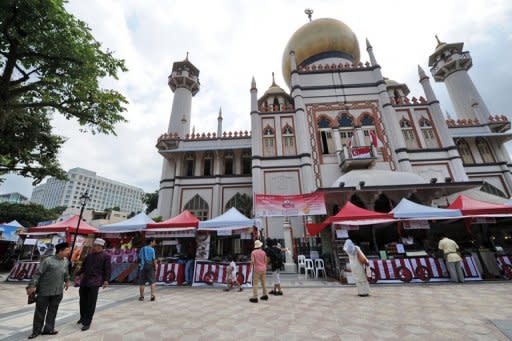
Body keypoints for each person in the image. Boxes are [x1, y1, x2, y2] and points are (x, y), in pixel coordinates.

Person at [26, 242, 70, 339]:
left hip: (58, 292)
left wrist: (67, 281)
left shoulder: (66, 261)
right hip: (44, 291)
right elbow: (37, 274)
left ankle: (49, 329)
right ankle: (36, 331)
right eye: (67, 250)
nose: (68, 252)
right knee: (40, 312)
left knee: (53, 311)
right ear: (61, 250)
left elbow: (66, 272)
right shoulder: (48, 261)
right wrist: (32, 285)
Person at [76, 238, 111, 331]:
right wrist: (78, 274)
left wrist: (106, 280)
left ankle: (87, 322)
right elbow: (83, 266)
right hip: (85, 281)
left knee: (91, 302)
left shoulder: (106, 256)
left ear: (101, 247)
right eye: (94, 246)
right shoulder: (89, 255)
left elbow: (107, 269)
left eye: (96, 246)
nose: (94, 247)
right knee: (82, 300)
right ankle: (82, 317)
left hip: (95, 281)